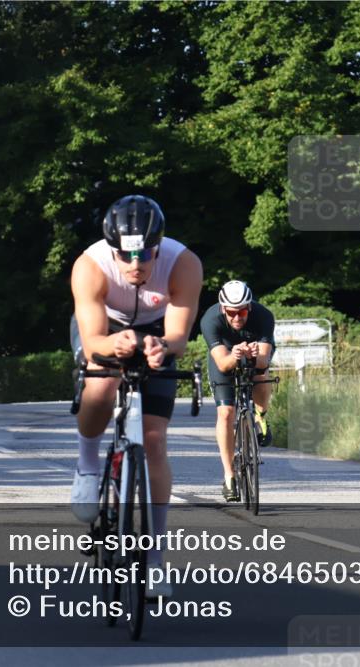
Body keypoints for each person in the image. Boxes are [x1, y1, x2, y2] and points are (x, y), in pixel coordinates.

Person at [69, 194, 202, 591]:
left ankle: (156, 557)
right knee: (103, 380)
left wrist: (164, 347)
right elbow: (93, 342)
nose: (135, 265)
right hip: (105, 328)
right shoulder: (90, 266)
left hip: (156, 331)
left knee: (155, 439)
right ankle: (88, 462)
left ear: (158, 247)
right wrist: (114, 346)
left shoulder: (184, 264)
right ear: (112, 250)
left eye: (145, 256)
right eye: (125, 257)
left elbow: (178, 335)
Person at [199, 280, 276, 502]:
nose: (236, 317)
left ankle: (260, 417)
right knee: (226, 413)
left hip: (254, 354)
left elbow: (262, 363)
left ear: (249, 307)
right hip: (224, 354)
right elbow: (222, 365)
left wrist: (252, 356)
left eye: (241, 311)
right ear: (223, 308)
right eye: (231, 312)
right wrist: (235, 355)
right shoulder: (210, 319)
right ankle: (229, 476)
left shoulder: (263, 316)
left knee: (260, 375)